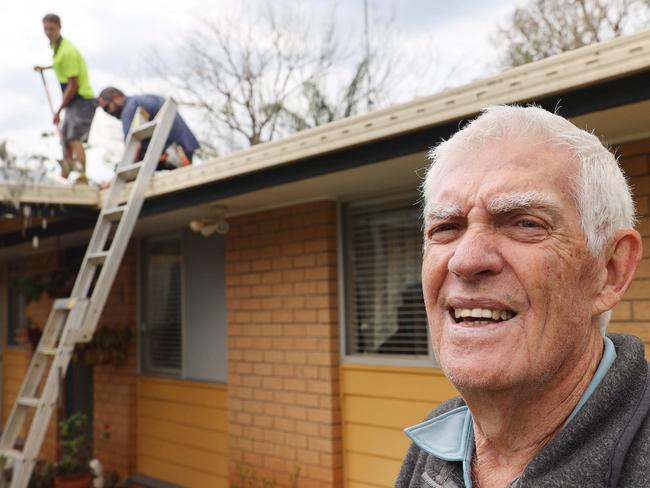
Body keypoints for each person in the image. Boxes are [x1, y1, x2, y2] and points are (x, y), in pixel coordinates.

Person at [396, 105, 649, 487]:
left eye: (525, 223)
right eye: (446, 228)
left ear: (609, 271)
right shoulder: (433, 446)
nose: (465, 260)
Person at [34, 13, 96, 182]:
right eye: (45, 29)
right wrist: (45, 68)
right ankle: (67, 175)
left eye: (51, 29)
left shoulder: (67, 51)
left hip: (82, 99)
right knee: (66, 140)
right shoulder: (57, 47)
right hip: (73, 101)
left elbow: (73, 84)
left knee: (74, 137)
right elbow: (59, 64)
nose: (48, 32)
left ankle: (82, 176)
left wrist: (59, 110)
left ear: (59, 28)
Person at [96, 87, 200, 169]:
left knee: (122, 166)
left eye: (106, 108)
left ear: (116, 96)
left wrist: (121, 173)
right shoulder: (147, 99)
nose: (108, 113)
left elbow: (131, 148)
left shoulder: (129, 109)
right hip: (186, 148)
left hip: (172, 154)